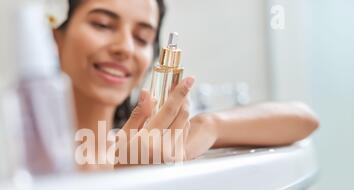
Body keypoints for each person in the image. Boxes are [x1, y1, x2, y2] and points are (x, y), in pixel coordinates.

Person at [52, 0, 319, 170]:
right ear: (56, 38)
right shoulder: (26, 160)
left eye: (143, 38)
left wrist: (206, 127)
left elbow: (304, 119)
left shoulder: (152, 142)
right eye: (102, 24)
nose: (125, 48)